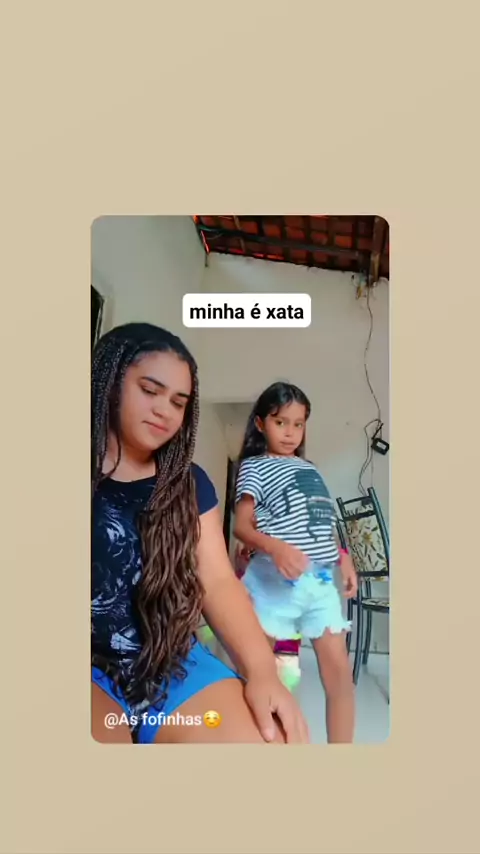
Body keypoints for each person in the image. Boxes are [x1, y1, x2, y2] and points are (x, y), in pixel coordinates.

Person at [91, 323, 309, 745]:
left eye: (178, 402)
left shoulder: (190, 484)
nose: (165, 411)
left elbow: (218, 581)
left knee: (269, 741)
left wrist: (262, 672)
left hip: (172, 662)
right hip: (91, 668)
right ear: (109, 380)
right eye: (150, 391)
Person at [233, 382, 357, 743]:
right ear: (261, 424)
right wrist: (274, 548)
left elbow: (324, 521)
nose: (290, 433)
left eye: (298, 424)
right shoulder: (254, 467)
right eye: (280, 422)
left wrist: (344, 558)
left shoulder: (310, 468)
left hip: (319, 585)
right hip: (271, 583)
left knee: (340, 679)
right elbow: (242, 527)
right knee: (261, 677)